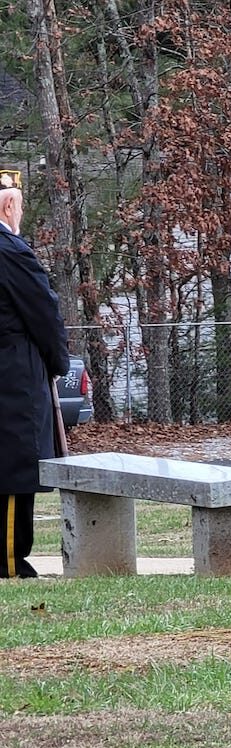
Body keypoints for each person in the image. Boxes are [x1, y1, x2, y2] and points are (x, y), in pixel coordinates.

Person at [0, 168, 70, 579]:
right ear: (9, 206)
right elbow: (44, 313)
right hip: (11, 378)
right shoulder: (10, 251)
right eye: (20, 206)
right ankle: (8, 562)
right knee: (12, 471)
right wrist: (57, 363)